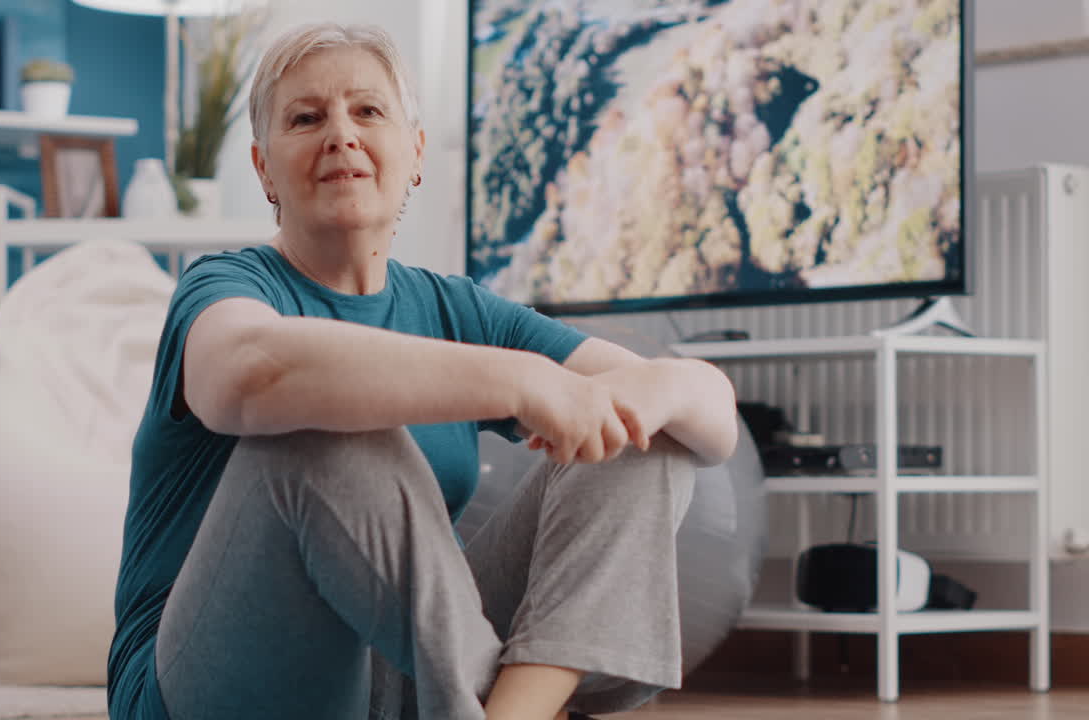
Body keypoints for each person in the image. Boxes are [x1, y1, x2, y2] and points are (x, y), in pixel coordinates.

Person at [107, 21, 739, 720]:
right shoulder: (224, 285)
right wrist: (524, 382)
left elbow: (713, 421)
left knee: (641, 436)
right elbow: (248, 376)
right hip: (204, 677)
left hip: (401, 672)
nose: (341, 134)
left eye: (367, 110)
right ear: (263, 169)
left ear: (414, 152)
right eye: (307, 118)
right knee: (320, 426)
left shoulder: (454, 308)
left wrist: (658, 389)